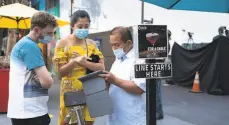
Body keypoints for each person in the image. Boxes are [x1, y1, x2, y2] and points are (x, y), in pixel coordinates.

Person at [53, 10, 104, 125]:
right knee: (71, 121)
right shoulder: (62, 43)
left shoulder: (92, 44)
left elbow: (101, 66)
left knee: (88, 121)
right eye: (80, 26)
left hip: (89, 89)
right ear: (72, 26)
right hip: (71, 91)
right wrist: (74, 61)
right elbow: (60, 72)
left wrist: (84, 63)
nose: (83, 29)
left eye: (86, 26)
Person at [7, 12, 56, 125]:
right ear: (37, 30)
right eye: (49, 33)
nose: (51, 36)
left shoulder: (23, 43)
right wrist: (47, 77)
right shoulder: (30, 46)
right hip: (31, 112)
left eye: (53, 33)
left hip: (24, 110)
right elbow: (47, 82)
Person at [99, 26, 146, 125]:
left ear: (128, 43)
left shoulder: (139, 60)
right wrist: (107, 82)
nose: (114, 49)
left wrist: (114, 80)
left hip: (131, 117)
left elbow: (139, 88)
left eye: (116, 45)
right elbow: (114, 84)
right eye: (111, 45)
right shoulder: (118, 59)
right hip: (115, 116)